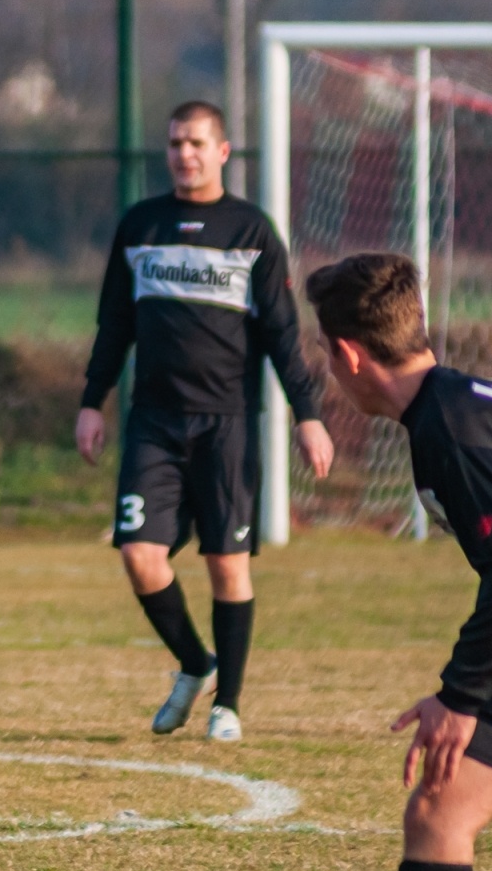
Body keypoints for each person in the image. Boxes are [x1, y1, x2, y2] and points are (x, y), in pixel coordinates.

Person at [308, 253, 492, 871]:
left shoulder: (453, 429)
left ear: (348, 354)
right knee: (439, 811)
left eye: (326, 358)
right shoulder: (458, 404)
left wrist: (462, 696)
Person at [75, 99, 335, 741]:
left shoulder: (251, 231)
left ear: (222, 151)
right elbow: (115, 324)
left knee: (227, 565)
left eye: (196, 143)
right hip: (154, 424)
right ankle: (195, 664)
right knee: (139, 555)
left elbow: (281, 333)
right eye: (174, 144)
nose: (183, 154)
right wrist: (92, 400)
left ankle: (229, 705)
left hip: (228, 426)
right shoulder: (141, 225)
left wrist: (308, 416)